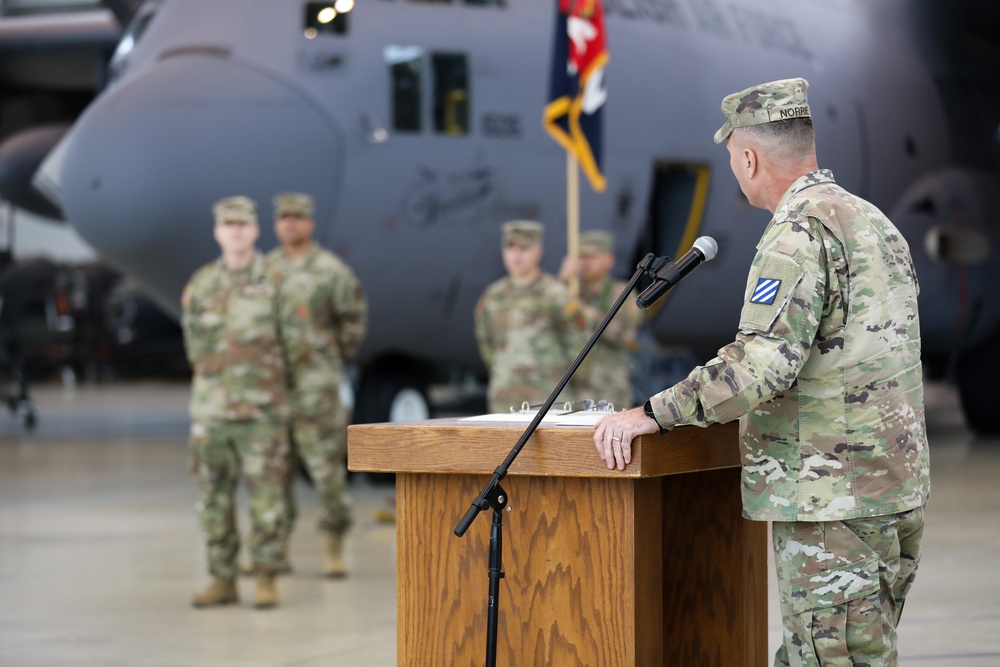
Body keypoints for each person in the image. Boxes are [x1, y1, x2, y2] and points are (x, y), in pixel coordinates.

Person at [592, 78, 931, 665]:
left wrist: (652, 413)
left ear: (748, 158)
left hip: (833, 502)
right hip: (891, 489)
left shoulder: (797, 233)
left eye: (732, 160)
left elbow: (762, 366)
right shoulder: (872, 222)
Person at [181, 195, 292, 609]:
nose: (237, 231)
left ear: (256, 230)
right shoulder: (202, 284)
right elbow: (193, 345)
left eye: (243, 224)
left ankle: (265, 577)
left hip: (263, 414)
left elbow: (294, 345)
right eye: (229, 225)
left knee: (267, 500)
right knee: (213, 500)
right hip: (211, 414)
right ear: (218, 232)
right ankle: (222, 578)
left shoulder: (276, 282)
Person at [265, 192, 367, 578]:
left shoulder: (331, 270)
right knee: (274, 474)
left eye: (298, 217)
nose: (291, 223)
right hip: (273, 387)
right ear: (277, 224)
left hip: (317, 386)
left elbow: (353, 320)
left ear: (310, 223)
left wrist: (329, 359)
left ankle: (334, 546)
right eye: (284, 217)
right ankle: (275, 549)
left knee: (327, 472)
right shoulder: (264, 270)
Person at [474, 220, 589, 414]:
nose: (516, 255)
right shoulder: (493, 296)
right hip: (504, 398)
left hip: (548, 399)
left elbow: (580, 344)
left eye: (524, 248)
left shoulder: (556, 294)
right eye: (511, 248)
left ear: (538, 252)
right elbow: (487, 345)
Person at [559, 230, 642, 410]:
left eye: (591, 256)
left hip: (608, 390)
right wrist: (561, 283)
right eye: (581, 257)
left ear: (609, 260)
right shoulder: (567, 291)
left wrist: (583, 310)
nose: (584, 262)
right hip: (572, 391)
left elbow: (624, 336)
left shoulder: (621, 293)